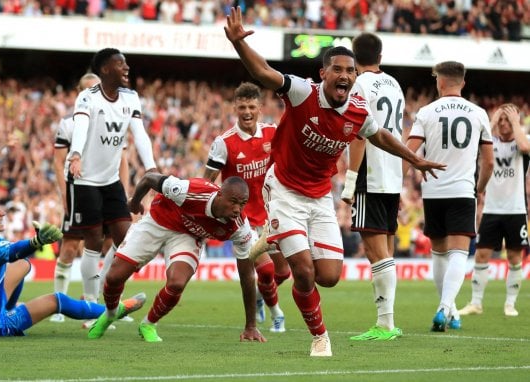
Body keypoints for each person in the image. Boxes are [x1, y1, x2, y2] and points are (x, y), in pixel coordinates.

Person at [224, 6, 445, 356]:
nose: (345, 76)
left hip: (319, 197)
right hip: (283, 189)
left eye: (351, 71)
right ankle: (320, 336)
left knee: (329, 276)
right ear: (323, 72)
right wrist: (239, 44)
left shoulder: (357, 109)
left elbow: (380, 136)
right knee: (304, 270)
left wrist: (414, 158)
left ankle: (274, 236)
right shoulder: (301, 92)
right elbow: (265, 72)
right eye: (338, 69)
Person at [87, 172, 266, 344]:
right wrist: (135, 202)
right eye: (233, 202)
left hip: (187, 236)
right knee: (114, 277)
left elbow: (247, 275)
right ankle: (111, 314)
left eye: (242, 204)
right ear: (219, 195)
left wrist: (251, 325)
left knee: (177, 283)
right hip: (157, 222)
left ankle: (148, 324)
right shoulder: (189, 191)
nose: (237, 209)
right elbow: (149, 178)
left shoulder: (240, 228)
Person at [0, 192, 146, 339]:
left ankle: (8, 308)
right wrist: (36, 242)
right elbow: (13, 251)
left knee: (21, 265)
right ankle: (114, 311)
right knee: (57, 300)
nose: (2, 213)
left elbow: (14, 256)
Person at [405, 61, 494, 332]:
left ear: (439, 82)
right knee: (459, 252)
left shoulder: (426, 112)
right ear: (462, 82)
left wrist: (398, 185)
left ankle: (451, 311)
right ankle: (446, 308)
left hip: (433, 191)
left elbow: (408, 151)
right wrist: (479, 188)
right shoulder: (478, 113)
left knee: (439, 254)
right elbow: (488, 162)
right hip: (462, 190)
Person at [67, 48, 157, 309]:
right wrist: (75, 154)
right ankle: (91, 304)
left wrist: (150, 167)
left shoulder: (131, 98)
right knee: (93, 241)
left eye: (126, 63)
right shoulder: (87, 98)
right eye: (120, 64)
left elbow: (139, 134)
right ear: (105, 69)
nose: (126, 68)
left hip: (110, 180)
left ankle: (110, 301)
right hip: (84, 178)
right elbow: (81, 126)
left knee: (127, 242)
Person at [204, 81, 290, 333]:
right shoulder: (224, 142)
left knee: (282, 273)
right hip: (243, 220)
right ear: (235, 108)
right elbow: (206, 181)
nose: (247, 112)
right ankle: (278, 316)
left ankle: (260, 298)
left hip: (271, 214)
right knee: (265, 269)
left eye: (251, 106)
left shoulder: (272, 134)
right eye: (242, 107)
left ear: (260, 108)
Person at [50, 72, 131, 325]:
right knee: (71, 247)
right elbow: (57, 162)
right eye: (89, 89)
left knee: (117, 244)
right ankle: (62, 304)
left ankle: (107, 302)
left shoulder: (116, 116)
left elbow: (123, 161)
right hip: (81, 189)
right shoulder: (69, 124)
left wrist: (125, 193)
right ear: (79, 92)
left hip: (109, 189)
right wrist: (64, 194)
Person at [342, 32, 407, 341]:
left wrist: (351, 180)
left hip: (371, 170)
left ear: (355, 60)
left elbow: (359, 133)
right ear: (380, 57)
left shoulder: (359, 85)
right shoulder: (394, 85)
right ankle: (387, 321)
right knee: (386, 247)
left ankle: (385, 323)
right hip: (393, 170)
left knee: (374, 249)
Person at [458, 104, 528, 318]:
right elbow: (473, 144)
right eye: (502, 120)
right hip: (491, 209)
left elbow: (525, 148)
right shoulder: (491, 143)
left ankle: (510, 304)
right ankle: (476, 303)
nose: (504, 123)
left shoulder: (521, 142)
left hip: (516, 210)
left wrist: (516, 121)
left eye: (507, 120)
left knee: (515, 258)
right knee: (481, 255)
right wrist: (493, 119)